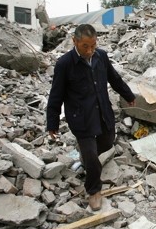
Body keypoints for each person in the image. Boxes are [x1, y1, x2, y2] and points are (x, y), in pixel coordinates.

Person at [46, 23, 135, 211]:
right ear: (74, 42)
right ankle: (93, 190)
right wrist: (52, 122)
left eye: (93, 45)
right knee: (92, 157)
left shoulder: (101, 56)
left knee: (108, 142)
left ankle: (86, 158)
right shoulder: (64, 64)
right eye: (85, 46)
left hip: (102, 111)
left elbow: (114, 78)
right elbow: (56, 95)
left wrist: (128, 95)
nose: (90, 50)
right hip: (81, 117)